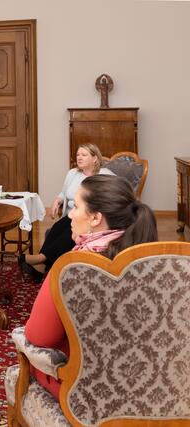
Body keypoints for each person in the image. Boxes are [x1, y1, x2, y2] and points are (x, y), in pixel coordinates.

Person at [24, 174, 158, 399]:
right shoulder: (159, 264)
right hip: (149, 390)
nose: (70, 214)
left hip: (86, 391)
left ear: (95, 217)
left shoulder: (71, 268)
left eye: (76, 207)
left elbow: (38, 336)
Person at [19, 143, 114, 281]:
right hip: (72, 213)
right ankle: (41, 266)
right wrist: (57, 200)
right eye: (77, 155)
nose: (79, 158)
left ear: (95, 158)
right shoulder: (72, 173)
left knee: (69, 231)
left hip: (90, 218)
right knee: (58, 227)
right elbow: (64, 193)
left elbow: (117, 196)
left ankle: (41, 259)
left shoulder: (105, 175)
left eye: (84, 155)